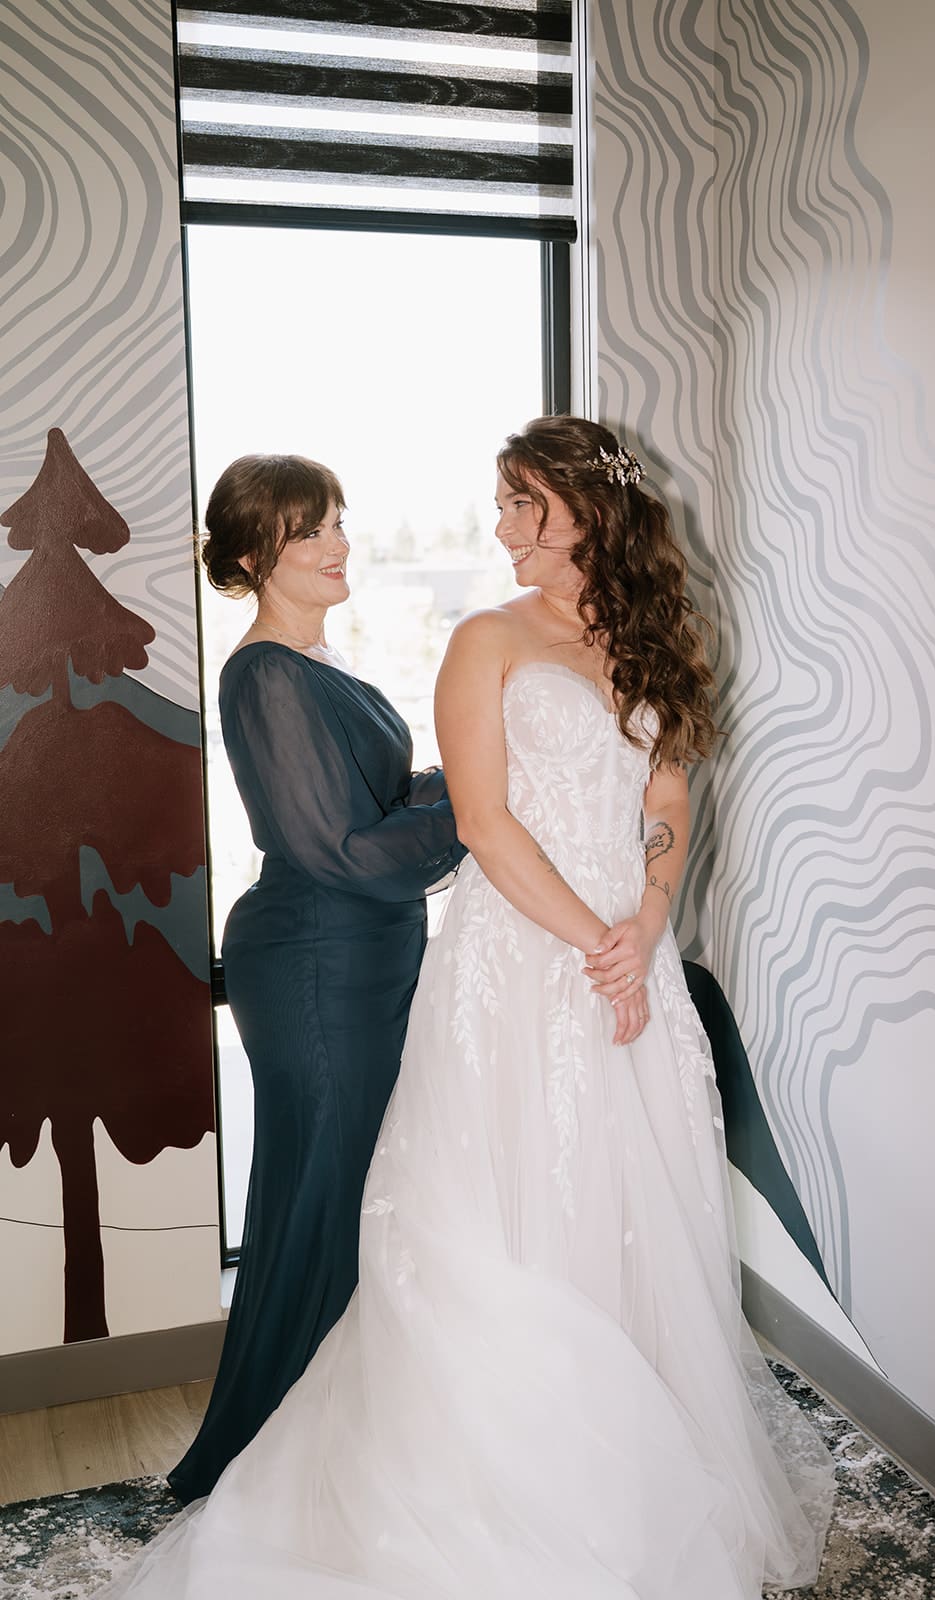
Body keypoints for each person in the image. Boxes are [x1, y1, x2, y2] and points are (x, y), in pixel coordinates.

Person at [107, 420, 834, 1597]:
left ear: (581, 514)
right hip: (515, 964)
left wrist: (648, 922)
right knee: (492, 1208)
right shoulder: (480, 637)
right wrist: (595, 934)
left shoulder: (648, 640)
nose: (495, 528)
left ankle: (632, 1455)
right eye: (498, 506)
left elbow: (667, 792)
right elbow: (480, 823)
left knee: (632, 1205)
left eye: (515, 506)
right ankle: (443, 1464)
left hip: (619, 960)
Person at [167, 455, 466, 1506]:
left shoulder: (314, 659)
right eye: (308, 533)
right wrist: (477, 803)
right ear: (254, 557)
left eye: (337, 521)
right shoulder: (264, 674)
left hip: (365, 953)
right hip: (313, 965)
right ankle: (280, 1452)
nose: (339, 544)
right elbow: (341, 846)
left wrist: (453, 782)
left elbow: (378, 802)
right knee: (330, 1195)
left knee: (351, 1190)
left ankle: (342, 1429)